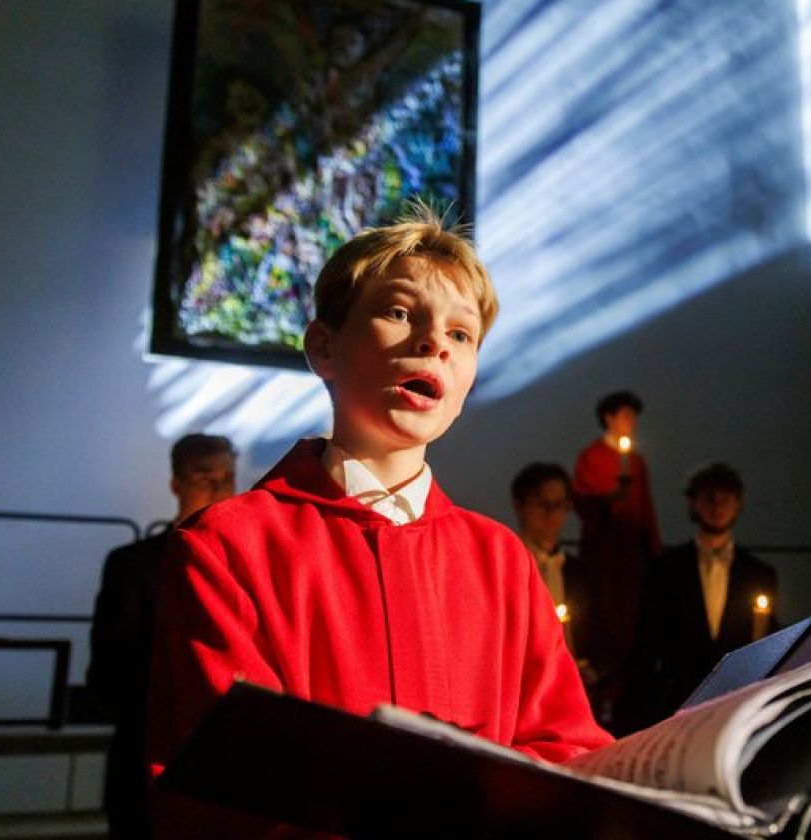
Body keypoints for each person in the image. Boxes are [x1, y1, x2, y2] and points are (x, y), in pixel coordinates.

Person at [146, 207, 611, 836]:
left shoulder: (501, 560)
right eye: (399, 312)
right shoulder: (228, 545)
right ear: (323, 347)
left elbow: (565, 751)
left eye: (462, 335)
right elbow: (223, 789)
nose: (434, 344)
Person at [87, 433, 236, 839]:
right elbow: (111, 671)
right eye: (204, 476)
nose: (218, 487)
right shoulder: (134, 566)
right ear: (177, 484)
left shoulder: (250, 568)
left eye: (226, 478)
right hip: (149, 754)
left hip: (225, 764)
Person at [622, 463, 778, 732]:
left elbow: (767, 637)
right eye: (709, 498)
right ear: (693, 503)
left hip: (739, 697)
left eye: (725, 499)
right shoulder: (665, 569)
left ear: (738, 504)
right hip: (679, 699)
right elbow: (645, 644)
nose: (717, 507)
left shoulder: (759, 574)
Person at [571, 390, 661, 719]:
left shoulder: (636, 461)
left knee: (633, 624)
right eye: (626, 416)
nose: (631, 423)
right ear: (610, 417)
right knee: (605, 621)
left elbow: (645, 510)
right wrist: (610, 497)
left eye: (633, 417)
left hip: (632, 563)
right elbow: (583, 502)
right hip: (605, 560)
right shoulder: (592, 457)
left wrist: (654, 553)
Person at [510, 463, 593, 675]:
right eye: (541, 503)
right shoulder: (506, 566)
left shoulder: (578, 571)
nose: (551, 513)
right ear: (518, 506)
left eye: (559, 504)